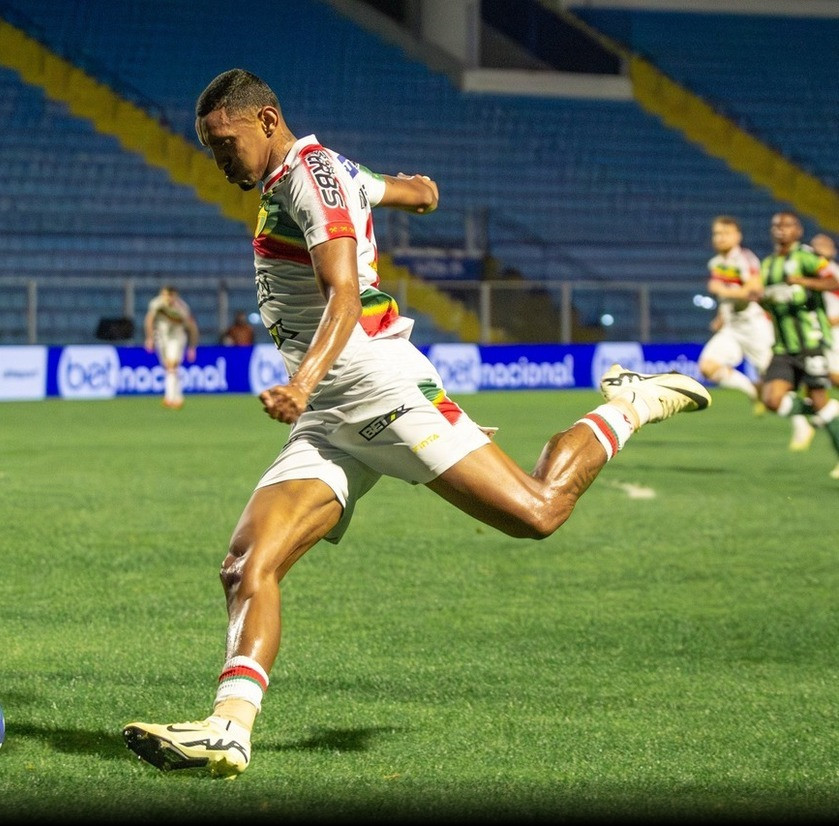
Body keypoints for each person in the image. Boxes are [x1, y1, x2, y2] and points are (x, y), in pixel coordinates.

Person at [121, 68, 712, 777]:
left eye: (225, 140)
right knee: (245, 564)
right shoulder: (320, 172)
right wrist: (417, 194)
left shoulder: (310, 179)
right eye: (209, 145)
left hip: (374, 386)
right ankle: (227, 730)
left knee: (537, 511)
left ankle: (631, 404)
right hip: (331, 413)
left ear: (267, 120)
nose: (218, 156)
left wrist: (301, 381)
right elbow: (403, 191)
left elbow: (342, 294)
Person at [754, 213, 839, 478]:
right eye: (776, 225)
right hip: (782, 347)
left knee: (819, 399)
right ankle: (826, 411)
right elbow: (769, 299)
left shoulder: (806, 257)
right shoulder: (767, 264)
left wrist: (803, 281)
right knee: (771, 399)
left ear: (798, 230)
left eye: (787, 225)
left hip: (811, 342)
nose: (780, 229)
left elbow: (833, 281)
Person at [696, 216, 773, 419]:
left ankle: (806, 422)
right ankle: (752, 390)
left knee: (775, 383)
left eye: (726, 233)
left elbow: (754, 291)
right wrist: (721, 317)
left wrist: (721, 289)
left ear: (737, 236)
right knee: (708, 367)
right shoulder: (717, 263)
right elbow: (728, 296)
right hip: (732, 328)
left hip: (755, 327)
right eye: (717, 233)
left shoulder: (745, 259)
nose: (720, 238)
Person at [143, 284, 199, 409]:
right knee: (169, 368)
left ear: (175, 296)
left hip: (176, 337)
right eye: (164, 295)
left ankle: (169, 397)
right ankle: (178, 397)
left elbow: (192, 327)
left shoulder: (182, 308)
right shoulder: (156, 304)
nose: (166, 298)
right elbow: (149, 320)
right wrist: (150, 338)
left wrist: (192, 347)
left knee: (171, 364)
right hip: (161, 337)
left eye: (169, 295)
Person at [808, 232, 839, 391]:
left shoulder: (835, 272)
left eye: (824, 245)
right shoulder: (810, 271)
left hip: (835, 329)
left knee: (834, 376)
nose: (819, 249)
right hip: (817, 329)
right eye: (816, 245)